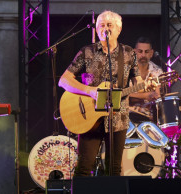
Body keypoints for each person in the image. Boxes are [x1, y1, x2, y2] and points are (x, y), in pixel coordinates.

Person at [59, 10, 140, 177]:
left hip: (118, 117)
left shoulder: (129, 53)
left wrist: (145, 85)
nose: (105, 29)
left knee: (114, 169)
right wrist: (90, 91)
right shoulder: (87, 51)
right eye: (101, 25)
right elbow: (64, 80)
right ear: (96, 30)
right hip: (89, 116)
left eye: (109, 25)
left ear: (118, 29)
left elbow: (137, 80)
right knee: (83, 168)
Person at [128, 36, 163, 122]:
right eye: (140, 51)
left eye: (146, 52)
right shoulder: (126, 70)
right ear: (134, 52)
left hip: (149, 117)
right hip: (128, 116)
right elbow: (119, 94)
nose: (143, 55)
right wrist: (145, 95)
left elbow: (157, 96)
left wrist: (131, 94)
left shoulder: (157, 71)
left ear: (151, 53)